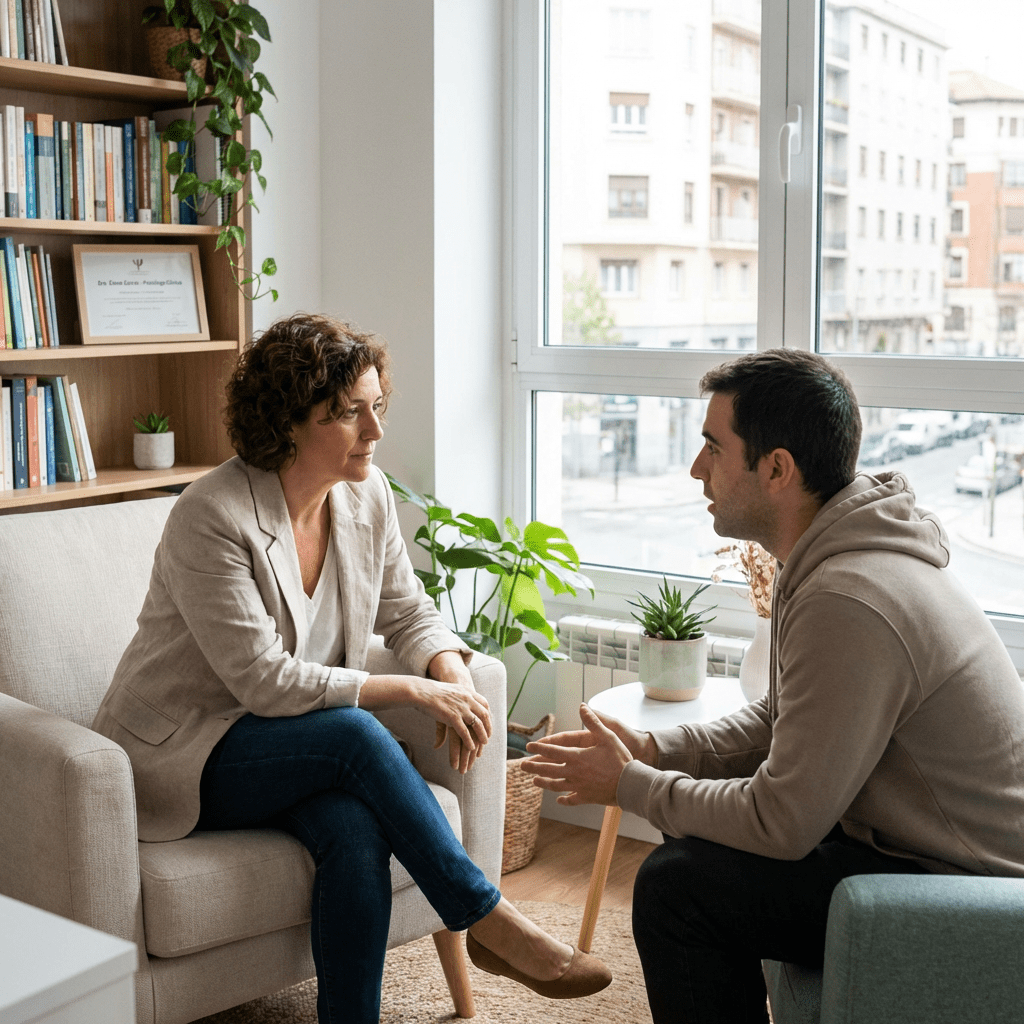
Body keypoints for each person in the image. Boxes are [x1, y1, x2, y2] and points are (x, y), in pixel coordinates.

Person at [92, 312, 611, 1024]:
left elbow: (409, 609)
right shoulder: (211, 516)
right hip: (186, 751)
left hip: (291, 744)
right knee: (358, 736)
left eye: (377, 407)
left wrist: (451, 676)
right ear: (288, 422)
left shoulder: (365, 495)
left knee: (353, 829)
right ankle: (485, 918)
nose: (374, 430)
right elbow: (263, 681)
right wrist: (409, 689)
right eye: (348, 413)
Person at [522, 348, 1024, 1023]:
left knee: (678, 888)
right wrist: (652, 749)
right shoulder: (831, 558)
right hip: (911, 849)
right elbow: (779, 718)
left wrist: (630, 785)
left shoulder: (851, 596)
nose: (696, 468)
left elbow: (781, 822)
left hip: (965, 886)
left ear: (778, 469)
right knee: (692, 839)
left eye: (712, 447)